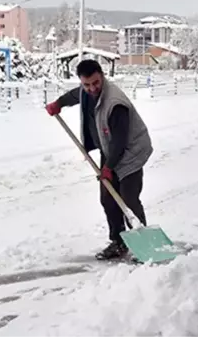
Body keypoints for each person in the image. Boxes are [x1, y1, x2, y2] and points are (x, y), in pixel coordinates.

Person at [45, 59, 153, 260]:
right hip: (110, 148)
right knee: (108, 198)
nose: (92, 88)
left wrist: (108, 167)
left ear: (102, 76)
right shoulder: (86, 91)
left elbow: (120, 141)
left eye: (95, 83)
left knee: (128, 198)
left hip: (130, 151)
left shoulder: (115, 103)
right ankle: (119, 243)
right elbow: (74, 95)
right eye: (86, 84)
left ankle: (144, 244)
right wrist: (58, 104)